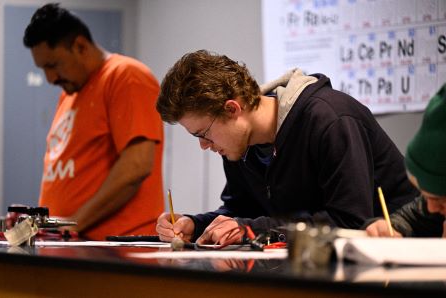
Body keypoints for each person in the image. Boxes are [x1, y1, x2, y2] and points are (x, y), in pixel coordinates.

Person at [156, 50, 417, 245]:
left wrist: (251, 229)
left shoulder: (330, 119)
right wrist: (197, 225)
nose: (204, 146)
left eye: (203, 134)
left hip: (403, 258)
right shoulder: (238, 145)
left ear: (232, 109)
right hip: (314, 261)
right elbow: (243, 212)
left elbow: (350, 221)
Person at [22, 3, 164, 240]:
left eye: (53, 65)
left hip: (116, 250)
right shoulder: (70, 94)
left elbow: (136, 167)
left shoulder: (126, 76)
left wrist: (73, 223)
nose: (50, 78)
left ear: (80, 46)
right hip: (75, 246)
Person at [366, 84, 446, 238]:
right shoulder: (429, 205)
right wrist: (390, 227)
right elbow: (410, 218)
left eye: (440, 199)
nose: (431, 208)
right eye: (427, 197)